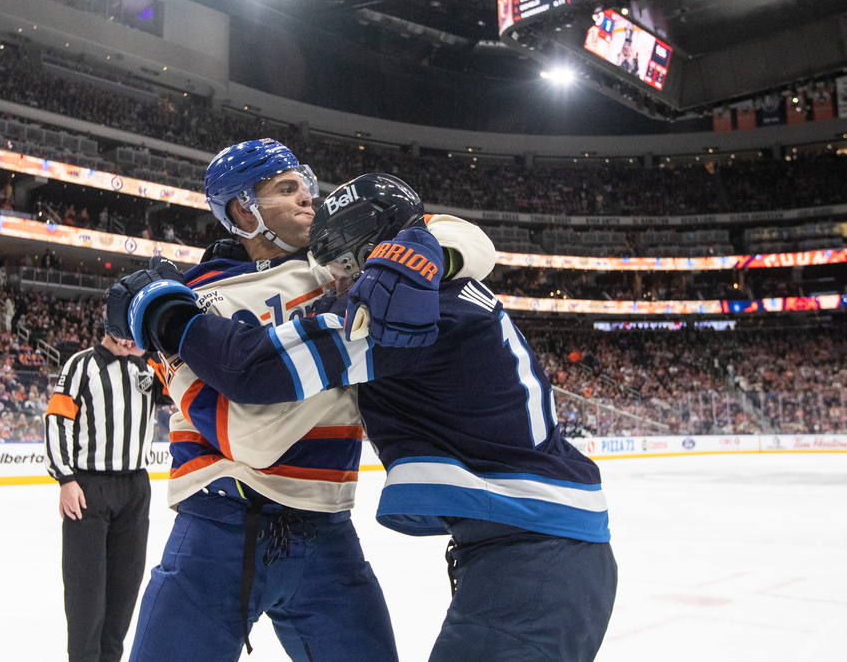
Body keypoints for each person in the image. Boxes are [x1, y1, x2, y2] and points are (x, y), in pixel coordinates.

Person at [115, 173, 617, 662]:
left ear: (367, 250)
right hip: (532, 542)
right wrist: (432, 251)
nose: (333, 279)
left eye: (338, 261)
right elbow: (457, 239)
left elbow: (254, 372)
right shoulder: (432, 281)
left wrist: (167, 318)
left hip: (531, 553)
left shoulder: (399, 307)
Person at [44, 323, 170, 662]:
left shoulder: (147, 367)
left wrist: (154, 350)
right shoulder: (81, 365)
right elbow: (57, 419)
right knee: (86, 595)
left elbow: (178, 389)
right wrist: (65, 479)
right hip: (88, 488)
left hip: (135, 490)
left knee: (123, 594)